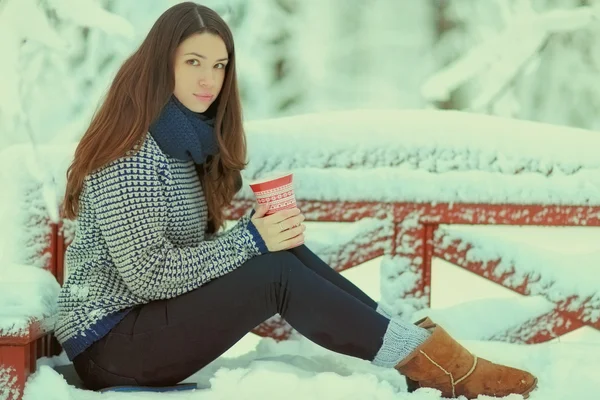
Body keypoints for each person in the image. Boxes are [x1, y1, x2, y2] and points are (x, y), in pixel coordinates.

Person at [56, 2, 538, 398]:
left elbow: (182, 264)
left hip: (143, 329)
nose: (209, 79)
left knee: (278, 251)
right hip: (110, 347)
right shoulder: (132, 156)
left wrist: (260, 237)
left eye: (219, 66)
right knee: (272, 268)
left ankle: (411, 345)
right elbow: (149, 274)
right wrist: (249, 239)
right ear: (162, 64)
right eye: (193, 62)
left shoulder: (183, 146)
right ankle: (434, 363)